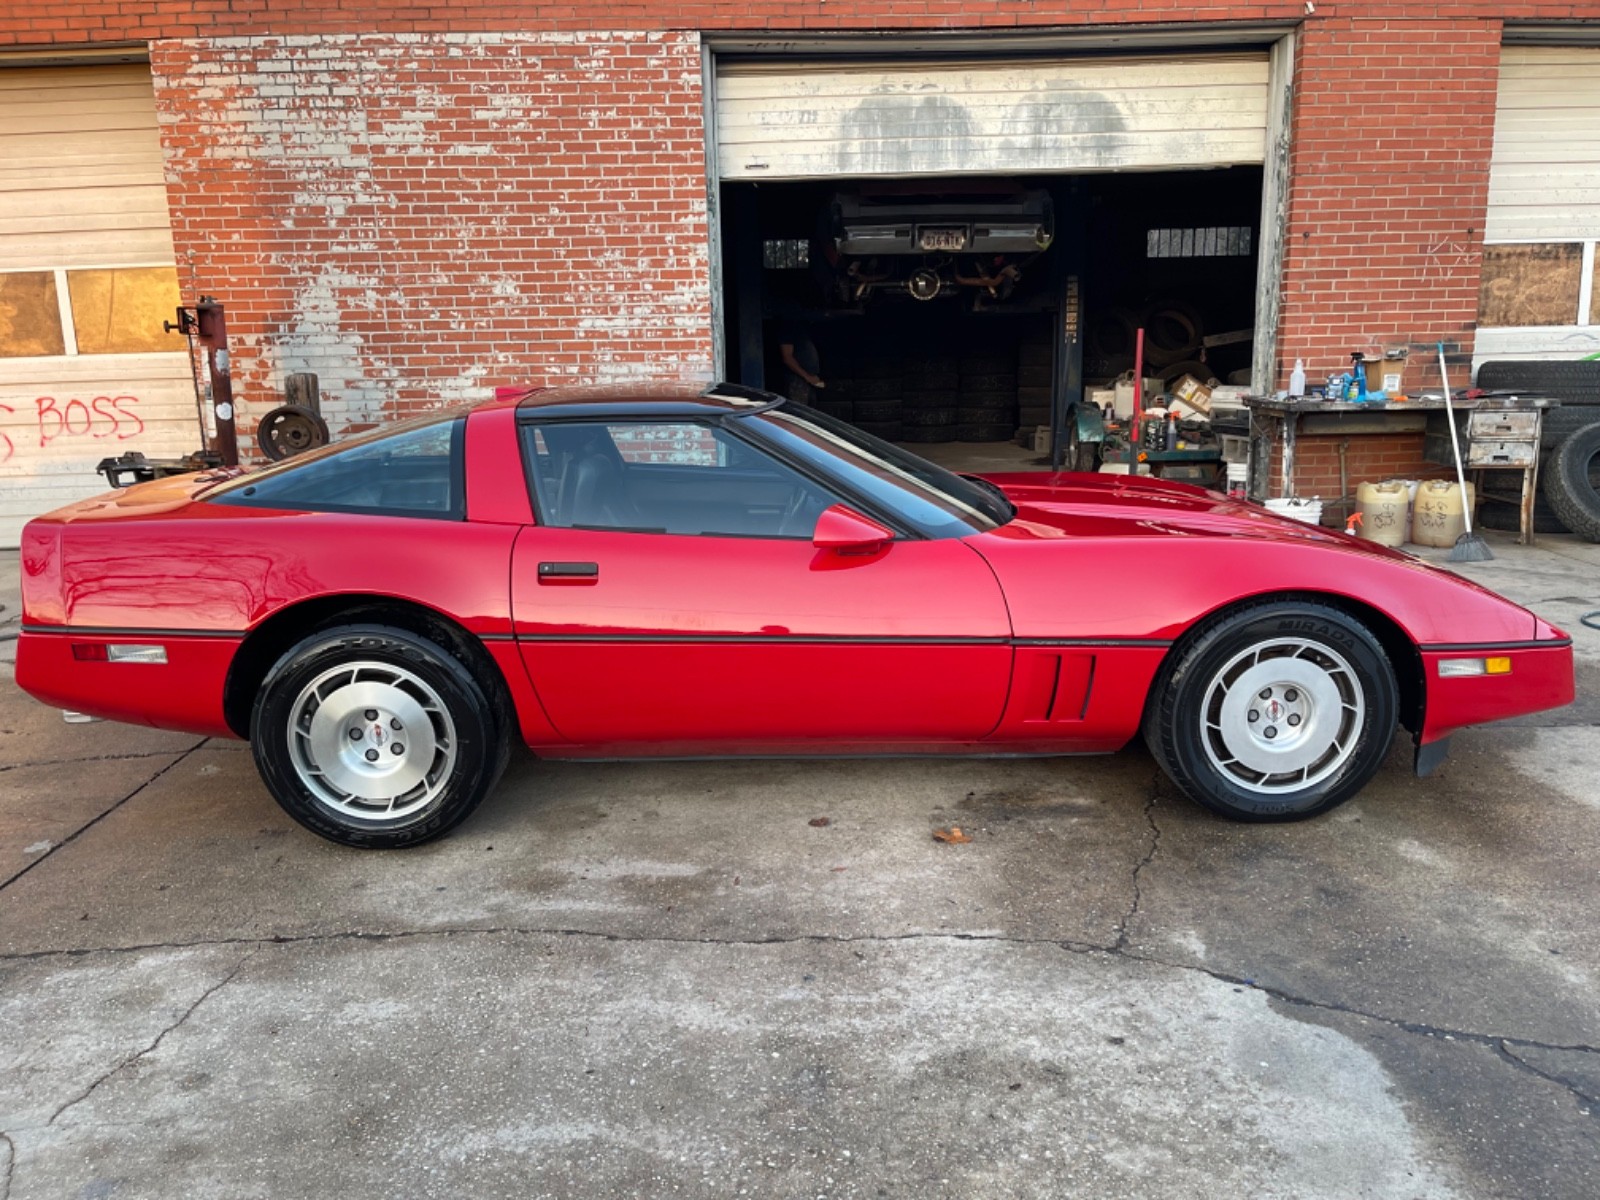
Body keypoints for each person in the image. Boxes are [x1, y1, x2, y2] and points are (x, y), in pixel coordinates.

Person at [776, 320, 825, 407]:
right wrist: (807, 377)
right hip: (797, 381)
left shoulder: (802, 330)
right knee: (799, 413)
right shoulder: (788, 329)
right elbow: (787, 358)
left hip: (811, 381)